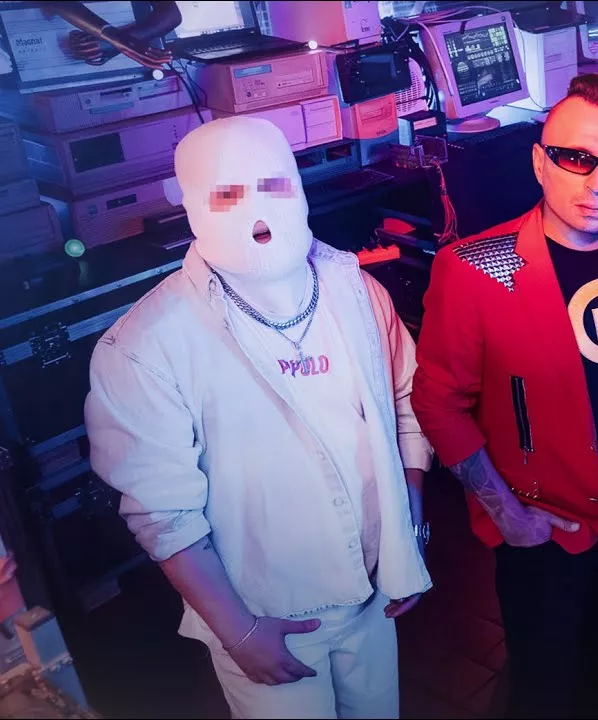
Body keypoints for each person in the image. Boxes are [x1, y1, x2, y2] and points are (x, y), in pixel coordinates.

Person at [84, 116, 432, 719]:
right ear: (191, 205)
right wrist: (239, 632)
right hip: (268, 616)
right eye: (227, 195)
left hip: (376, 594)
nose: (258, 213)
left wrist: (410, 533)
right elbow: (163, 513)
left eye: (273, 186)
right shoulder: (146, 345)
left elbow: (406, 403)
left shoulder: (356, 291)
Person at [411, 73, 598, 717]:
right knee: (544, 693)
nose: (597, 184)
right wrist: (506, 514)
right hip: (545, 533)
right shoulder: (475, 269)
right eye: (576, 159)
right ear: (540, 163)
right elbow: (438, 405)